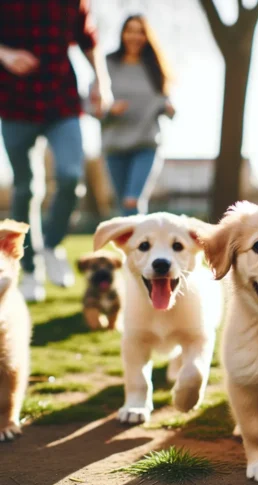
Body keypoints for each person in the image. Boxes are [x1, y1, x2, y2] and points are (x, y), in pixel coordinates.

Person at [0, 0, 112, 302]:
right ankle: (30, 270)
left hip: (61, 102)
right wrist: (5, 54)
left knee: (70, 176)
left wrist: (101, 80)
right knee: (25, 189)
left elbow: (89, 40)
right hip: (13, 104)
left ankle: (51, 244)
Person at [100, 14, 175, 216]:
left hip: (146, 143)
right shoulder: (107, 64)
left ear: (146, 36)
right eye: (130, 30)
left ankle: (141, 245)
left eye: (140, 31)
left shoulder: (154, 67)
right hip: (114, 144)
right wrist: (109, 109)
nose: (134, 36)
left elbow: (165, 102)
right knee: (122, 204)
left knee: (133, 199)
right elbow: (93, 105)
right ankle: (134, 246)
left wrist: (169, 109)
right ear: (123, 34)